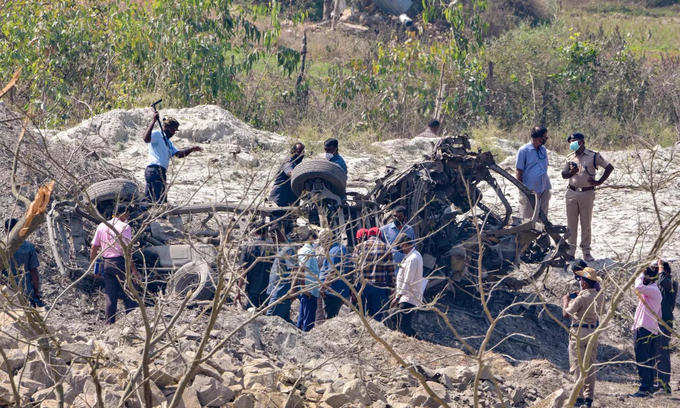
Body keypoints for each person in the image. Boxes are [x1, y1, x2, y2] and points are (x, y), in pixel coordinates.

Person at [561, 133, 614, 261]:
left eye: (575, 141)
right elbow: (564, 174)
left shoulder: (593, 156)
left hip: (587, 193)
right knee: (571, 224)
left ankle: (586, 251)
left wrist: (599, 182)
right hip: (572, 193)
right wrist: (570, 172)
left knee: (586, 223)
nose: (572, 144)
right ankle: (571, 251)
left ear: (582, 142)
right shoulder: (570, 157)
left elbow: (609, 167)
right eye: (571, 142)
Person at [561, 262, 603, 408]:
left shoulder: (581, 298)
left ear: (584, 283)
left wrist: (565, 300)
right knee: (590, 365)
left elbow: (566, 313)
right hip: (593, 332)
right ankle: (588, 398)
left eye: (581, 280)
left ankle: (578, 397)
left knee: (577, 365)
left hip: (579, 332)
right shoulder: (599, 296)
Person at [89, 206, 140, 324]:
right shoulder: (125, 227)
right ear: (124, 213)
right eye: (127, 214)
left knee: (110, 295)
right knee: (129, 293)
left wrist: (94, 266)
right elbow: (127, 251)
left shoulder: (102, 226)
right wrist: (134, 270)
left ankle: (109, 324)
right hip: (120, 263)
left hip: (107, 264)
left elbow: (94, 248)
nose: (127, 217)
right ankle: (132, 323)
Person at [142, 111, 202, 204]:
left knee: (160, 200)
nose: (174, 132)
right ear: (165, 127)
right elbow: (146, 139)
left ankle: (151, 215)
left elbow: (178, 154)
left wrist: (191, 149)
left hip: (161, 172)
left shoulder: (168, 143)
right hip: (153, 170)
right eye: (172, 130)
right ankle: (141, 215)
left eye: (175, 130)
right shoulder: (157, 135)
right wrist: (153, 121)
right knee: (153, 200)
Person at [630, 262, 663, 397]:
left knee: (642, 358)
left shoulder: (653, 290)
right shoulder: (652, 291)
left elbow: (637, 286)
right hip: (648, 328)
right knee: (648, 359)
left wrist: (640, 273)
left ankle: (644, 388)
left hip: (645, 328)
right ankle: (648, 386)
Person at [352, 227, 395, 322]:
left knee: (363, 316)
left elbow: (355, 270)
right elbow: (391, 271)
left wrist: (354, 288)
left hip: (362, 287)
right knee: (377, 317)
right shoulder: (386, 247)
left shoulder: (359, 247)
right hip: (379, 288)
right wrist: (392, 288)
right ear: (380, 235)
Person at [2, 219, 44, 307]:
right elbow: (34, 272)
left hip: (5, 294)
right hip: (26, 293)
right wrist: (37, 291)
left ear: (6, 230)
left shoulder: (2, 248)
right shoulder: (29, 247)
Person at [515, 126, 551, 220]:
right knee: (528, 218)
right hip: (529, 190)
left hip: (544, 188)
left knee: (543, 218)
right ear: (537, 137)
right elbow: (519, 171)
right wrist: (524, 190)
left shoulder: (543, 150)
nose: (546, 139)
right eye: (545, 137)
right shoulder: (523, 150)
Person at [393, 236, 425, 337]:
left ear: (405, 245)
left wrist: (398, 297)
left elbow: (408, 280)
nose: (402, 250)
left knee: (404, 326)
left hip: (408, 296)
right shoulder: (413, 256)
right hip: (407, 295)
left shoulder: (412, 258)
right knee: (399, 321)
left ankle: (420, 342)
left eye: (401, 247)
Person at [269, 142, 305, 231]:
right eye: (298, 152)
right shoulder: (288, 161)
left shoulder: (298, 164)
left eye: (301, 152)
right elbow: (291, 173)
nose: (300, 154)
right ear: (293, 151)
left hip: (291, 196)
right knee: (276, 220)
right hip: (280, 195)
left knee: (290, 221)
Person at [319, 229, 353, 319]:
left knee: (331, 318)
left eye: (322, 242)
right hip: (342, 290)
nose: (322, 245)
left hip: (333, 292)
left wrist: (323, 287)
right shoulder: (342, 248)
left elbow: (332, 273)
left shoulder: (333, 252)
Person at [237, 223, 272, 309]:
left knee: (252, 312)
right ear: (266, 233)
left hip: (252, 287)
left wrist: (238, 291)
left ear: (255, 232)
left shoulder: (247, 248)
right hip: (267, 288)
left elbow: (243, 272)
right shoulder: (272, 248)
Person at [266, 227, 297, 323]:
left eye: (272, 238)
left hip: (280, 292)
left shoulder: (288, 250)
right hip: (276, 290)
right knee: (283, 320)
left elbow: (294, 270)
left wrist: (293, 289)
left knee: (270, 319)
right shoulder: (282, 249)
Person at [655, 260, 676, 394]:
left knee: (662, 354)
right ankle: (658, 383)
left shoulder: (671, 283)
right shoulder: (661, 283)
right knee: (656, 353)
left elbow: (663, 281)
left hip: (665, 322)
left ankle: (664, 385)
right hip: (657, 321)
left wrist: (661, 268)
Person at [295, 232, 321, 332]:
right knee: (307, 320)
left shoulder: (311, 251)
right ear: (310, 238)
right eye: (314, 239)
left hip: (312, 289)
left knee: (304, 318)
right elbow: (301, 270)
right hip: (308, 290)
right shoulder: (306, 251)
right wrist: (304, 289)